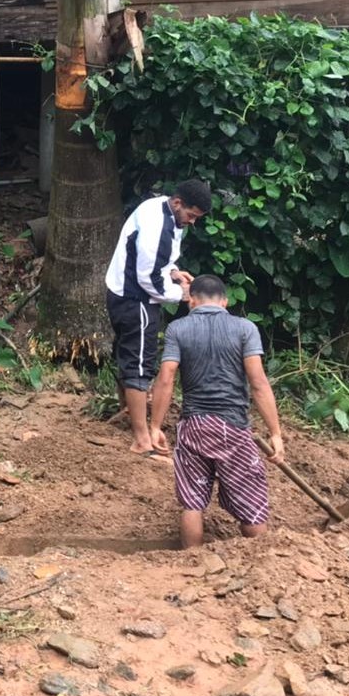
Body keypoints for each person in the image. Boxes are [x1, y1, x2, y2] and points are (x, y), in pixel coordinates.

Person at [148, 274, 286, 548]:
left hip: (194, 427)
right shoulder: (245, 328)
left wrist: (155, 426)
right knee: (251, 500)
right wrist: (275, 432)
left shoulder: (178, 329)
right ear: (225, 302)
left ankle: (192, 560)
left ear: (191, 300)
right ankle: (263, 562)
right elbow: (258, 383)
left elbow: (166, 377)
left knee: (192, 503)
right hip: (233, 428)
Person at [104, 179, 211, 456]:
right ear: (178, 203)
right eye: (191, 216)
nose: (192, 222)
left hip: (121, 292)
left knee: (128, 355)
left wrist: (174, 272)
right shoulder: (159, 227)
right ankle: (142, 438)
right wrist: (182, 293)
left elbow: (159, 261)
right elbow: (149, 277)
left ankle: (129, 409)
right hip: (136, 299)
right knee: (140, 363)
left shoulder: (159, 209)